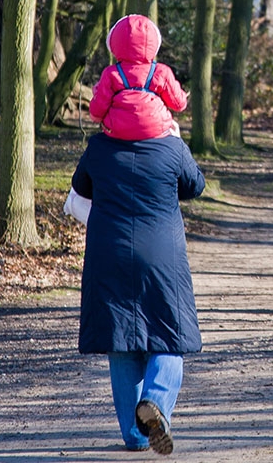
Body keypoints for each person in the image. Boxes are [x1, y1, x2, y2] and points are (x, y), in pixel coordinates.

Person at [69, 127, 205, 453]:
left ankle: (135, 435)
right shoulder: (171, 146)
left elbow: (80, 187)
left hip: (109, 254)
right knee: (171, 336)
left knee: (121, 343)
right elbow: (195, 185)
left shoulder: (99, 147)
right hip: (161, 255)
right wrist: (175, 138)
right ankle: (155, 401)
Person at [89, 14, 188, 141]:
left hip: (117, 133)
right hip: (157, 132)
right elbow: (179, 104)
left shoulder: (110, 73)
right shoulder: (162, 72)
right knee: (183, 157)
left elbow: (96, 113)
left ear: (114, 42)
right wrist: (183, 95)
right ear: (155, 42)